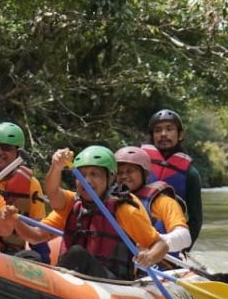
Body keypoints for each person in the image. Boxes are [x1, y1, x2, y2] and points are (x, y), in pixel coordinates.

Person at [12, 146, 168, 280]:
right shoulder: (71, 203)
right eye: (82, 174)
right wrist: (15, 221)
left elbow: (161, 244)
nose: (86, 180)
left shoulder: (124, 210)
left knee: (77, 253)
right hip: (75, 279)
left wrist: (150, 257)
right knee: (27, 258)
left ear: (110, 178)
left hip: (112, 283)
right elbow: (35, 234)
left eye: (95, 174)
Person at [0, 121, 50, 261]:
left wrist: (46, 261)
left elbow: (36, 227)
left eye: (7, 148)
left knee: (35, 257)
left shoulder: (31, 184)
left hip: (10, 255)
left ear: (18, 153)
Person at [113, 146, 192, 256]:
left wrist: (153, 242)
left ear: (144, 174)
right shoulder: (111, 201)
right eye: (120, 173)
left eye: (130, 171)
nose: (124, 176)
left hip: (159, 266)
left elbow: (185, 237)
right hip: (124, 265)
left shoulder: (163, 201)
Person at [141, 109, 203, 245]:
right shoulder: (138, 164)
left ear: (180, 135)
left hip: (170, 238)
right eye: (158, 130)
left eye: (169, 129)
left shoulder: (190, 174)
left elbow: (196, 220)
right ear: (152, 136)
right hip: (137, 231)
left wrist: (183, 248)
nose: (163, 134)